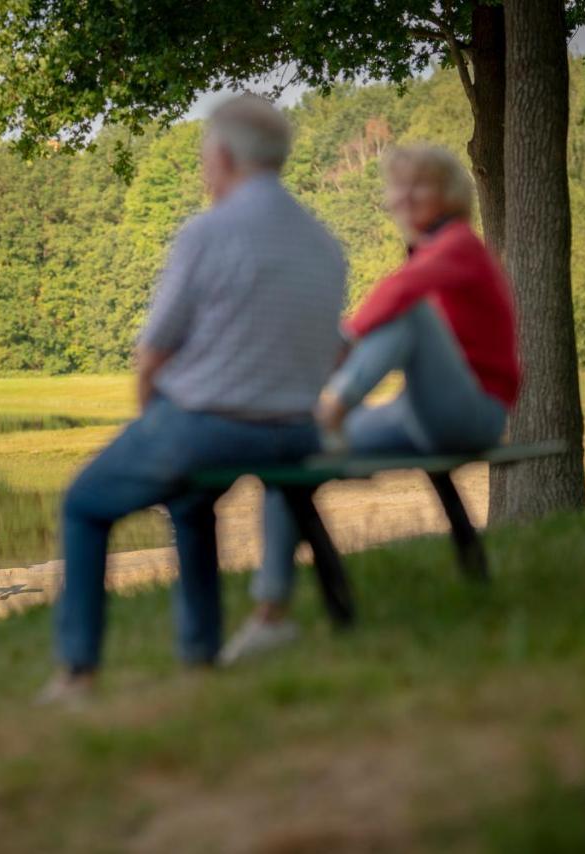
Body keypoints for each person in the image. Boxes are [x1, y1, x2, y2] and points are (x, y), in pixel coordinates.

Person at [38, 95, 347, 704]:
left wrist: (153, 418)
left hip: (211, 425)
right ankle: (199, 656)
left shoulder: (209, 231)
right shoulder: (323, 244)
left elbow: (153, 350)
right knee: (189, 500)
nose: (206, 168)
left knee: (85, 502)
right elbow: (333, 348)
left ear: (226, 156)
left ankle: (78, 673)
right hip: (296, 430)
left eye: (207, 156)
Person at [221, 144, 521, 664]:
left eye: (419, 185)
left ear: (450, 195)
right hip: (418, 413)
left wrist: (342, 347)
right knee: (290, 453)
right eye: (398, 187)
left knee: (408, 314)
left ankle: (332, 407)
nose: (403, 197)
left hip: (472, 412)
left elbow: (398, 294)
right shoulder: (429, 253)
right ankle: (271, 615)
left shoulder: (458, 247)